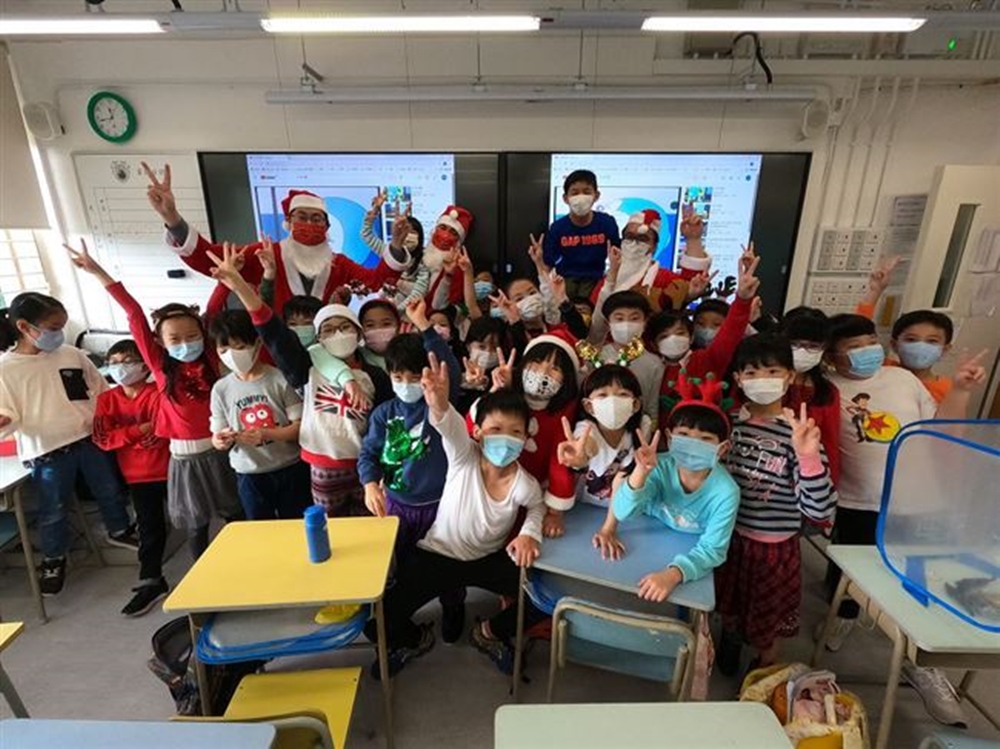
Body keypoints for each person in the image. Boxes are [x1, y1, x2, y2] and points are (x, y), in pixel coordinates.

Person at [821, 312, 986, 727]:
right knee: (853, 577)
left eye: (868, 342)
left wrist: (961, 389)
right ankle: (843, 618)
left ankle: (923, 665)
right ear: (832, 357)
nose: (865, 352)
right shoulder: (828, 388)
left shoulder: (903, 380)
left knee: (918, 584)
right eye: (851, 348)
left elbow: (943, 429)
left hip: (916, 501)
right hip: (857, 502)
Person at [365, 355, 545, 677]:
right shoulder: (463, 455)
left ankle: (489, 631)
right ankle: (415, 639)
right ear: (478, 432)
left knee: (543, 601)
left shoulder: (524, 483)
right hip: (437, 555)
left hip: (488, 559)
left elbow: (537, 506)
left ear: (525, 438)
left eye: (515, 432)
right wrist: (439, 404)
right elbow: (449, 427)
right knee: (375, 620)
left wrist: (529, 533)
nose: (505, 438)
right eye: (495, 429)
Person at [67, 241, 242, 561]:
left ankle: (244, 565)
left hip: (220, 451)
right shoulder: (161, 367)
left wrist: (226, 279)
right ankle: (202, 575)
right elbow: (134, 313)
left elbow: (215, 309)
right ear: (160, 342)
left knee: (236, 516)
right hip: (184, 459)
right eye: (175, 338)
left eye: (192, 336)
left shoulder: (210, 359)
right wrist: (99, 272)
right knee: (196, 526)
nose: (186, 343)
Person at [207, 243, 384, 517]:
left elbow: (385, 424)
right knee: (330, 530)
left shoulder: (375, 375)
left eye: (345, 327)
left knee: (371, 526)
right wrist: (240, 286)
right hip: (323, 468)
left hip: (366, 468)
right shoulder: (305, 367)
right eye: (328, 329)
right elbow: (272, 331)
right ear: (318, 338)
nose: (338, 334)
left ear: (359, 333)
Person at [0, 292, 136, 597]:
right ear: (24, 327)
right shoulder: (6, 369)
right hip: (47, 449)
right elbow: (8, 413)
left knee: (109, 489)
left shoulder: (71, 354)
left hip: (88, 437)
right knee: (53, 507)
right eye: (53, 328)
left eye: (62, 326)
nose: (59, 334)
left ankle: (120, 529)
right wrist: (5, 421)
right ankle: (54, 557)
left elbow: (100, 390)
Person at [716, 334, 837, 675]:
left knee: (767, 618)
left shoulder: (799, 433)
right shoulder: (729, 423)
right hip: (729, 537)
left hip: (774, 548)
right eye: (751, 373)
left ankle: (764, 667)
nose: (762, 379)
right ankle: (730, 640)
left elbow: (820, 509)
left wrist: (808, 457)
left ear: (789, 376)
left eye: (772, 371)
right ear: (738, 378)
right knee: (730, 603)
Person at [141, 163, 410, 316]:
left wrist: (397, 245)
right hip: (272, 354)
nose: (309, 224)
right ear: (288, 222)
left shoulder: (338, 264)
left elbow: (376, 281)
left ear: (327, 227)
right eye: (301, 217)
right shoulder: (264, 253)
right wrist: (172, 217)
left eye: (317, 219)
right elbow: (207, 257)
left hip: (326, 352)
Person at [358, 300, 466, 642]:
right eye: (397, 377)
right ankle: (407, 615)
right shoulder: (383, 414)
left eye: (414, 377)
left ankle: (453, 605)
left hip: (441, 506)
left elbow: (448, 367)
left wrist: (425, 327)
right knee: (405, 567)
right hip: (398, 508)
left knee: (448, 565)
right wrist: (369, 484)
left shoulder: (441, 407)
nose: (405, 383)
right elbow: (368, 454)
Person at [596, 396, 739, 604]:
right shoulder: (659, 467)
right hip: (646, 542)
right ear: (670, 439)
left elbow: (713, 549)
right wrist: (640, 473)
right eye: (684, 435)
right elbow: (623, 512)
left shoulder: (726, 492)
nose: (693, 444)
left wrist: (673, 575)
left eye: (705, 438)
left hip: (686, 551)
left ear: (723, 448)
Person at [93, 339, 171, 616]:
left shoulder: (158, 392)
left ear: (144, 365)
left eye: (128, 361)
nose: (120, 367)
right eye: (114, 362)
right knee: (149, 528)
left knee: (194, 521)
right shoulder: (107, 399)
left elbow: (160, 433)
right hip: (137, 477)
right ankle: (151, 581)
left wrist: (124, 437)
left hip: (170, 467)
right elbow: (103, 438)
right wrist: (139, 430)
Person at [209, 309, 311, 520]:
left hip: (289, 467)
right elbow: (217, 436)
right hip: (249, 473)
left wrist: (268, 434)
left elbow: (300, 427)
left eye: (240, 347)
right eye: (224, 349)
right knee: (259, 526)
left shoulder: (280, 379)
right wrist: (221, 440)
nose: (232, 355)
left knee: (295, 523)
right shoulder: (220, 389)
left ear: (257, 343)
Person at [649, 245, 759, 427]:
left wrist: (742, 299)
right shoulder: (650, 364)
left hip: (702, 435)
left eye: (680, 333)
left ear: (691, 337)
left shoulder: (706, 360)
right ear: (654, 343)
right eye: (664, 336)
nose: (673, 339)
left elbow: (730, 333)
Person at [489, 330, 580, 537]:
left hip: (535, 494)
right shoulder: (509, 394)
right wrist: (499, 391)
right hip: (493, 486)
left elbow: (559, 461)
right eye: (537, 362)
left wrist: (555, 511)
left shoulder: (564, 412)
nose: (543, 372)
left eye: (555, 368)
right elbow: (475, 430)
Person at [556, 365, 651, 508]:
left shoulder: (641, 427)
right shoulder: (586, 428)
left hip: (622, 505)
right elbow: (588, 444)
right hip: (583, 506)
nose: (612, 402)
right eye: (602, 395)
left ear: (635, 404)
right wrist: (581, 455)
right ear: (588, 406)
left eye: (623, 394)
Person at [589, 206, 710, 318]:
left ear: (654, 247)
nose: (634, 244)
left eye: (642, 239)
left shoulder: (664, 278)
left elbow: (692, 283)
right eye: (629, 237)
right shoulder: (609, 278)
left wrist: (693, 239)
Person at [779, 307, 841, 485]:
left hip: (806, 480)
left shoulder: (827, 392)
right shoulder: (761, 382)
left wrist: (829, 485)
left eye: (813, 346)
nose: (803, 351)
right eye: (795, 344)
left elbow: (830, 444)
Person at [541, 169, 621, 300]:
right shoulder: (557, 227)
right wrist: (558, 262)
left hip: (596, 277)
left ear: (596, 196)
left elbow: (617, 252)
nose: (581, 197)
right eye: (575, 192)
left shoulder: (607, 222)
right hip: (566, 278)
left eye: (587, 192)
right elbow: (549, 258)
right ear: (565, 198)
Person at [584, 290, 663, 421]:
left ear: (645, 322)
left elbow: (652, 406)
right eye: (619, 319)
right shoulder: (595, 357)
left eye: (634, 318)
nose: (626, 324)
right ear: (608, 323)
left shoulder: (654, 363)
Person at [362, 190, 428, 310]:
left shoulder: (423, 264)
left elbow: (417, 294)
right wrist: (375, 210)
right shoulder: (388, 252)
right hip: (382, 308)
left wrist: (395, 311)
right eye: (404, 231)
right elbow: (366, 234)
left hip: (405, 314)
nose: (407, 235)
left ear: (420, 237)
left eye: (412, 232)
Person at [421, 205, 474, 310]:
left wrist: (448, 275)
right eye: (443, 228)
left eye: (453, 233)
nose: (445, 236)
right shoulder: (419, 255)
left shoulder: (458, 270)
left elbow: (439, 306)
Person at [358, 298, 402, 373]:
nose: (378, 329)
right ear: (361, 330)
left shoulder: (409, 353)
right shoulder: (358, 357)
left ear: (398, 326)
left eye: (386, 324)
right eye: (370, 325)